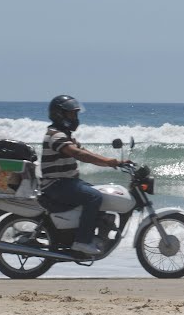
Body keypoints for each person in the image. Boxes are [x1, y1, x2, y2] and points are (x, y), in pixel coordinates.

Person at [40, 94, 123, 256]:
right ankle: (82, 241)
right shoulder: (55, 135)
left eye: (76, 114)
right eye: (72, 114)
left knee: (101, 195)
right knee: (93, 197)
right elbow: (78, 154)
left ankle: (92, 234)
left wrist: (116, 162)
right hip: (56, 185)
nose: (75, 118)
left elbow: (85, 153)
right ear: (60, 114)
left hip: (67, 182)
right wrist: (108, 161)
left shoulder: (65, 135)